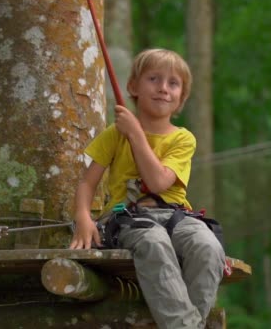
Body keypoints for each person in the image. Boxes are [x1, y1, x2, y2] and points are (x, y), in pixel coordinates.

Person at [69, 48, 226, 328]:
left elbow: (158, 182)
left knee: (208, 247)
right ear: (133, 87)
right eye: (154, 78)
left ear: (181, 98)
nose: (163, 88)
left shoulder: (183, 139)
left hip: (177, 217)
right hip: (130, 219)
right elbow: (87, 182)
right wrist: (83, 216)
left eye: (173, 83)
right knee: (154, 243)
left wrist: (135, 133)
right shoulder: (114, 135)